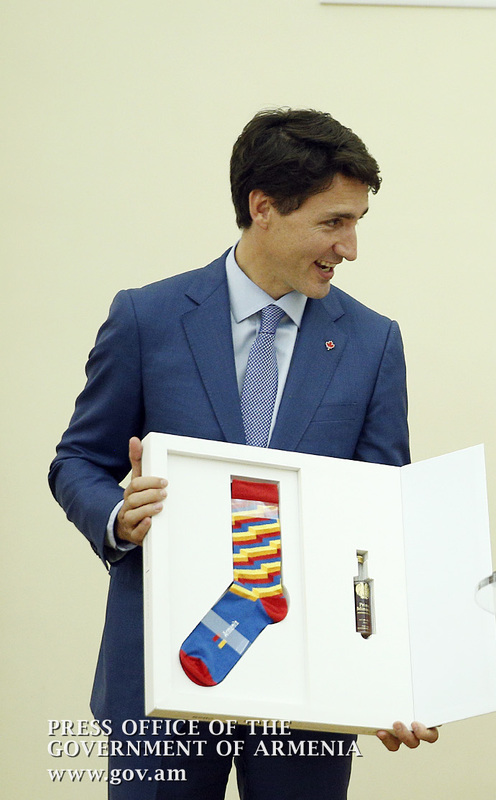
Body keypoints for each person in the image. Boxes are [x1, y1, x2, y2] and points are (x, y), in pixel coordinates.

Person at [49, 108, 436, 799]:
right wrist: (118, 517)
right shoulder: (146, 318)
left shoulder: (374, 342)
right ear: (263, 208)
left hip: (310, 689)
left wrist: (392, 675)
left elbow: (379, 521)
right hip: (162, 680)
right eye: (333, 222)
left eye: (357, 223)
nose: (350, 248)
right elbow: (77, 460)